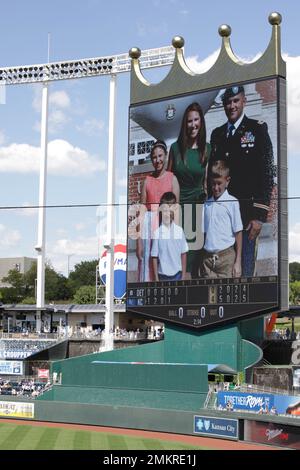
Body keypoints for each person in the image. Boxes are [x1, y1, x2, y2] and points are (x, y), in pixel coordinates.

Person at [210, 85, 275, 277]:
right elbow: (212, 178)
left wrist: (259, 215)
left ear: (244, 101)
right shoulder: (218, 135)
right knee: (222, 275)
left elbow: (267, 174)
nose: (232, 106)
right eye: (228, 102)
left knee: (244, 275)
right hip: (221, 220)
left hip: (247, 218)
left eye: (236, 101)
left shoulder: (257, 130)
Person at [168, 102, 210, 277]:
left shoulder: (207, 149)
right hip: (178, 208)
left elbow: (207, 183)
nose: (193, 125)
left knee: (193, 261)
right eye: (189, 121)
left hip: (198, 209)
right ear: (185, 124)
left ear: (201, 122)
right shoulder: (175, 148)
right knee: (177, 258)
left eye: (196, 120)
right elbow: (169, 180)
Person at [136, 140, 179, 281]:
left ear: (166, 156)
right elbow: (141, 211)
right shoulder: (147, 180)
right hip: (149, 227)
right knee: (148, 262)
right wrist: (138, 242)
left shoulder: (172, 179)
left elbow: (176, 211)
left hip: (166, 225)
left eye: (160, 156)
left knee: (165, 261)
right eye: (154, 157)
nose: (158, 160)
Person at [199, 160, 243, 278]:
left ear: (227, 181)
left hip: (226, 259)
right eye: (213, 184)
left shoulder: (232, 202)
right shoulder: (206, 204)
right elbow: (204, 234)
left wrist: (237, 262)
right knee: (208, 295)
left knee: (226, 295)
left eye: (219, 183)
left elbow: (238, 232)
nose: (216, 187)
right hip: (208, 260)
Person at [151, 192, 188, 281]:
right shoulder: (157, 233)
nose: (168, 213)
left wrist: (183, 276)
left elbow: (184, 254)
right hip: (162, 276)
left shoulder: (179, 231)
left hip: (177, 275)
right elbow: (154, 257)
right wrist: (156, 278)